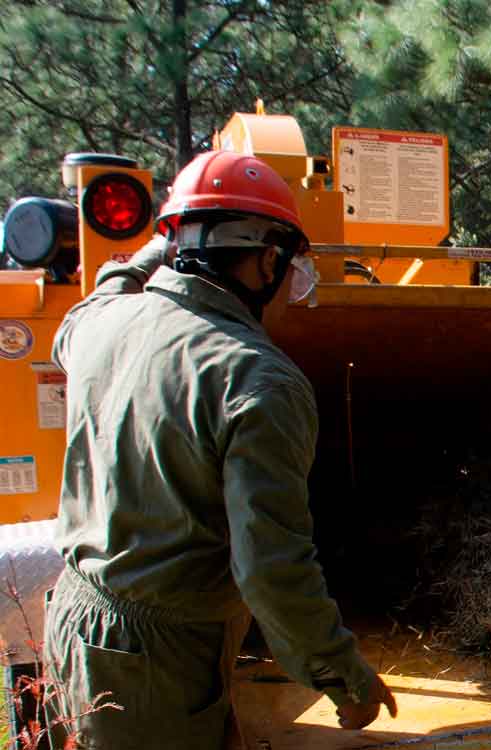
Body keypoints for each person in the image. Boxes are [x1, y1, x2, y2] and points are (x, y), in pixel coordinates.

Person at [44, 151, 396, 749]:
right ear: (265, 261)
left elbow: (88, 308)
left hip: (75, 621)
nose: (291, 287)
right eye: (292, 269)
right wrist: (342, 674)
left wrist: (161, 249)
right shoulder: (256, 379)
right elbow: (269, 569)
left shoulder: (102, 324)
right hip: (154, 660)